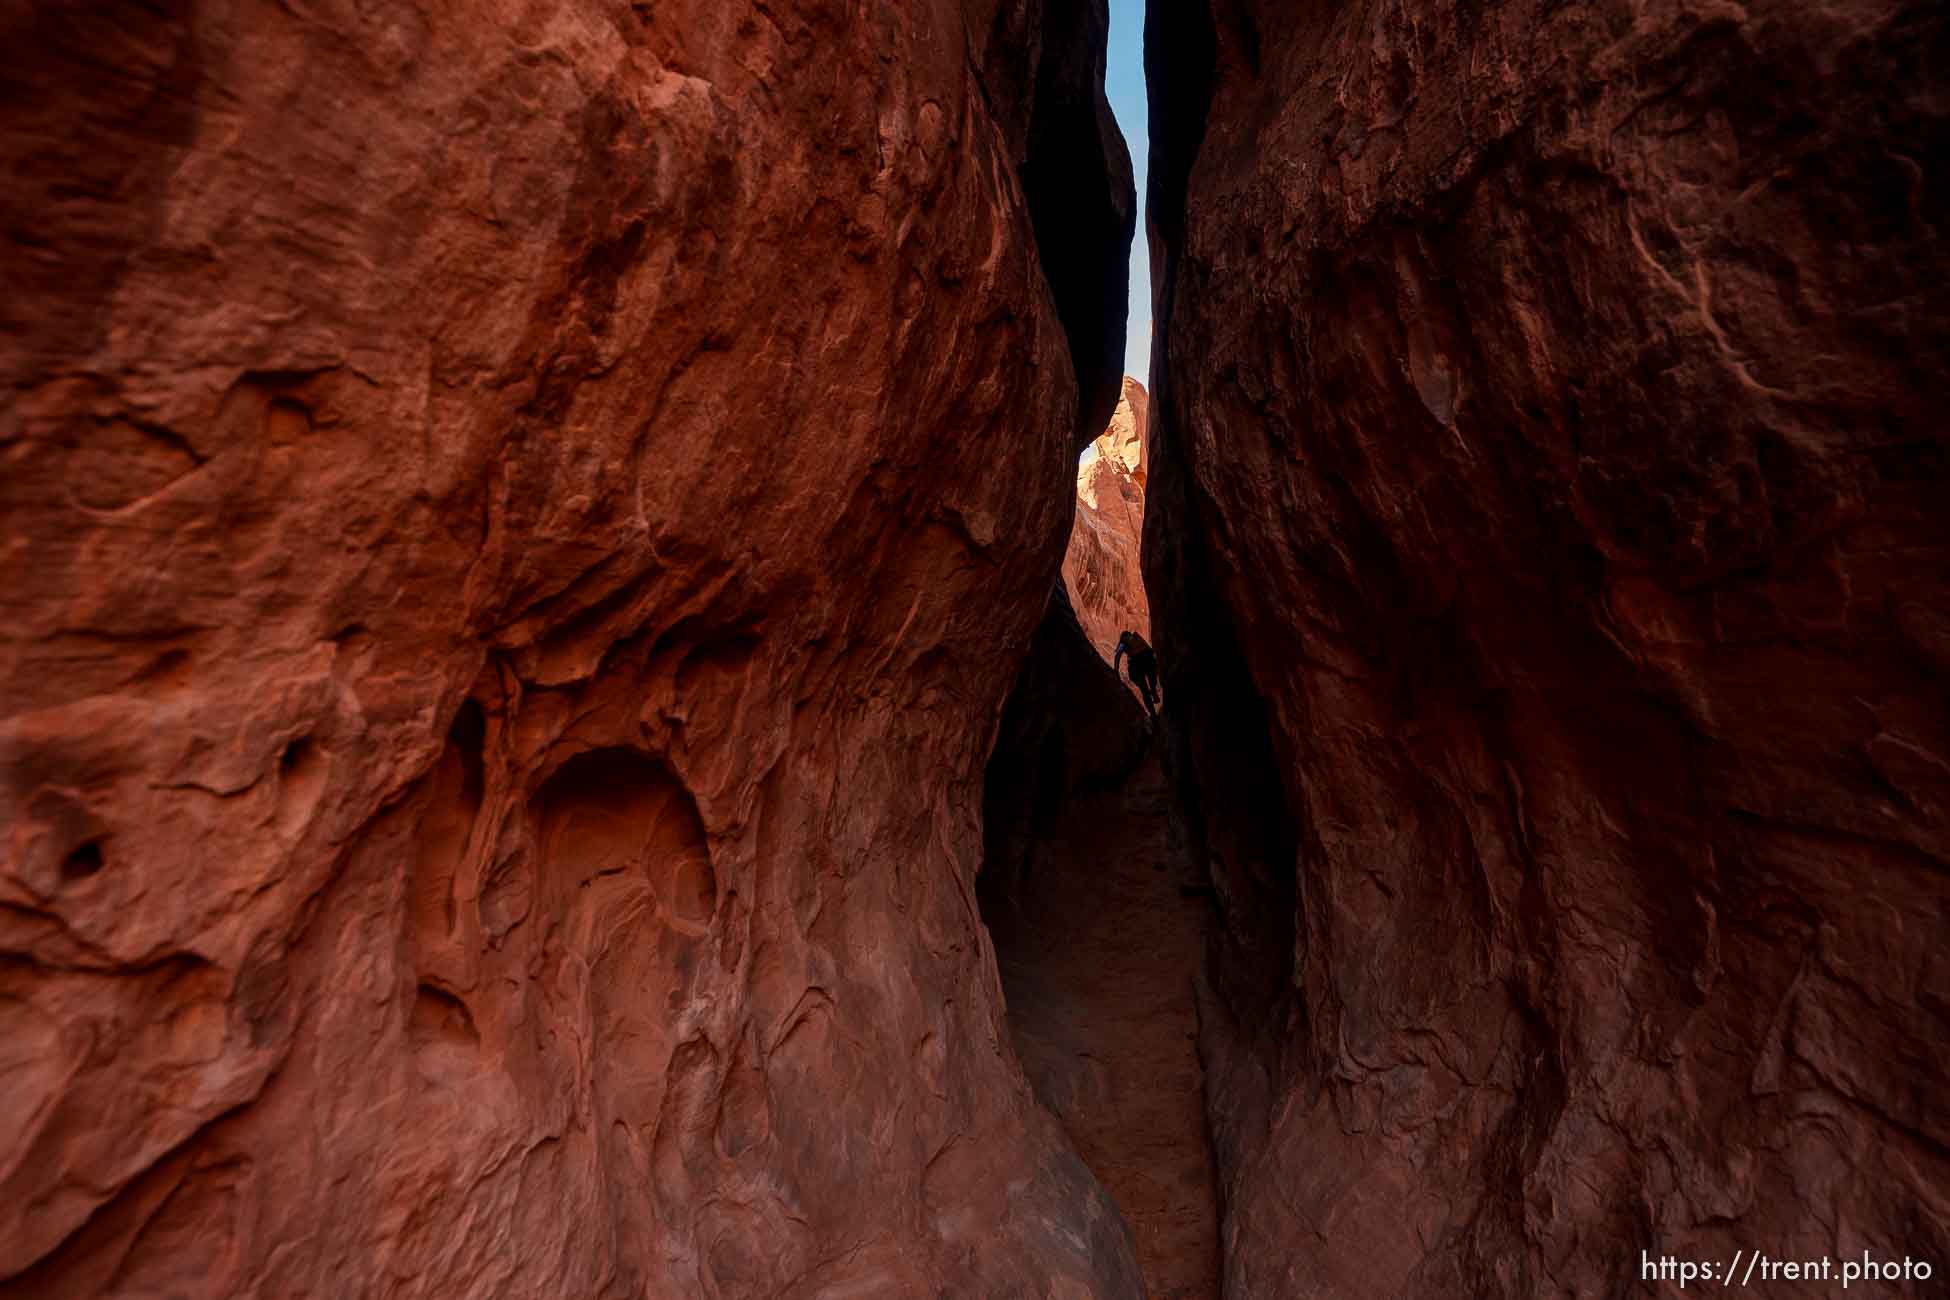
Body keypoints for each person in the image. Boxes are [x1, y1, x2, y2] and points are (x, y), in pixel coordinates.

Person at [1111, 630, 1160, 718]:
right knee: (1151, 680)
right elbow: (1149, 649)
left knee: (1144, 690)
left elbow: (1117, 655)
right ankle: (1153, 691)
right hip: (1148, 660)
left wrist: (1116, 670)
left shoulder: (1123, 644)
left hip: (1137, 666)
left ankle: (1153, 714)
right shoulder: (1137, 638)